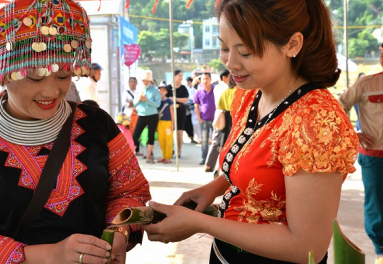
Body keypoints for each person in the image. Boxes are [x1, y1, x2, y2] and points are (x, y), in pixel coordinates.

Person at [141, 0, 359, 263]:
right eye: (224, 48)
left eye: (244, 52)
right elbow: (259, 160)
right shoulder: (251, 94)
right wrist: (215, 186)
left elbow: (306, 247)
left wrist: (200, 223)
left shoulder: (316, 121)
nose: (230, 64)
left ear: (292, 45)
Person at [0, 1, 151, 263]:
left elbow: (130, 192)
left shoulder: (96, 122)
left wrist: (119, 230)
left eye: (63, 76)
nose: (52, 92)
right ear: (3, 74)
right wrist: (53, 254)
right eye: (36, 78)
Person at [339, 46, 383, 264]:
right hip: (375, 156)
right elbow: (339, 105)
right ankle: (380, 250)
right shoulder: (367, 84)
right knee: (376, 205)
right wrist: (352, 133)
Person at [132, 69, 161, 164]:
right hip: (142, 115)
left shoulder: (155, 90)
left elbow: (157, 104)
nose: (144, 82)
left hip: (152, 115)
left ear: (150, 81)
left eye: (146, 80)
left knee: (151, 136)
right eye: (143, 80)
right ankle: (130, 156)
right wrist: (140, 99)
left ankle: (149, 156)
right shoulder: (139, 90)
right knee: (135, 135)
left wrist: (146, 100)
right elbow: (134, 103)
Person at [205, 69, 231, 172]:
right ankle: (215, 166)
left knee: (217, 141)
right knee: (220, 141)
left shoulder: (217, 87)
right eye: (230, 77)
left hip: (220, 114)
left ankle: (210, 164)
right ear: (224, 77)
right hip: (223, 115)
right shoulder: (225, 88)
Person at [166, 70, 189, 158]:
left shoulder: (183, 88)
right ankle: (170, 149)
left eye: (182, 75)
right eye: (179, 75)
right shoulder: (168, 88)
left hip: (180, 110)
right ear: (174, 76)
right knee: (170, 132)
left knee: (179, 132)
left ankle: (179, 151)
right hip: (170, 111)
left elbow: (186, 99)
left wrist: (175, 99)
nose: (181, 77)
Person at [194, 73, 216, 165]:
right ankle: (204, 158)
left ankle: (215, 159)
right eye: (203, 79)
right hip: (204, 119)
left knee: (216, 141)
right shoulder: (198, 92)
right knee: (204, 140)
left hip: (216, 120)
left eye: (206, 78)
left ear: (210, 79)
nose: (205, 81)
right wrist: (199, 118)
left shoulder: (216, 90)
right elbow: (196, 105)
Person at [122, 77, 140, 154]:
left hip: (137, 113)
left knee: (137, 131)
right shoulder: (125, 92)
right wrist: (133, 103)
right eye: (131, 82)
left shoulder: (139, 92)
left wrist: (131, 102)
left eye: (134, 82)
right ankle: (129, 149)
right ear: (129, 83)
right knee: (128, 131)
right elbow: (124, 103)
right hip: (128, 115)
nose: (133, 83)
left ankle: (137, 149)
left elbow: (140, 102)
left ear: (136, 83)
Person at [156, 83, 174, 164]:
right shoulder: (157, 101)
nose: (161, 91)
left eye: (163, 90)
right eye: (160, 90)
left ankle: (168, 157)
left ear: (166, 92)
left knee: (168, 140)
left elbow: (172, 112)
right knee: (161, 140)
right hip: (160, 122)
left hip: (168, 122)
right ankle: (163, 156)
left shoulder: (169, 101)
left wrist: (172, 123)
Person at [184, 76, 196, 144]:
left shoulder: (194, 90)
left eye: (189, 82)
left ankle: (192, 138)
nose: (188, 83)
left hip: (191, 109)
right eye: (187, 82)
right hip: (184, 108)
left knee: (190, 124)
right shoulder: (185, 89)